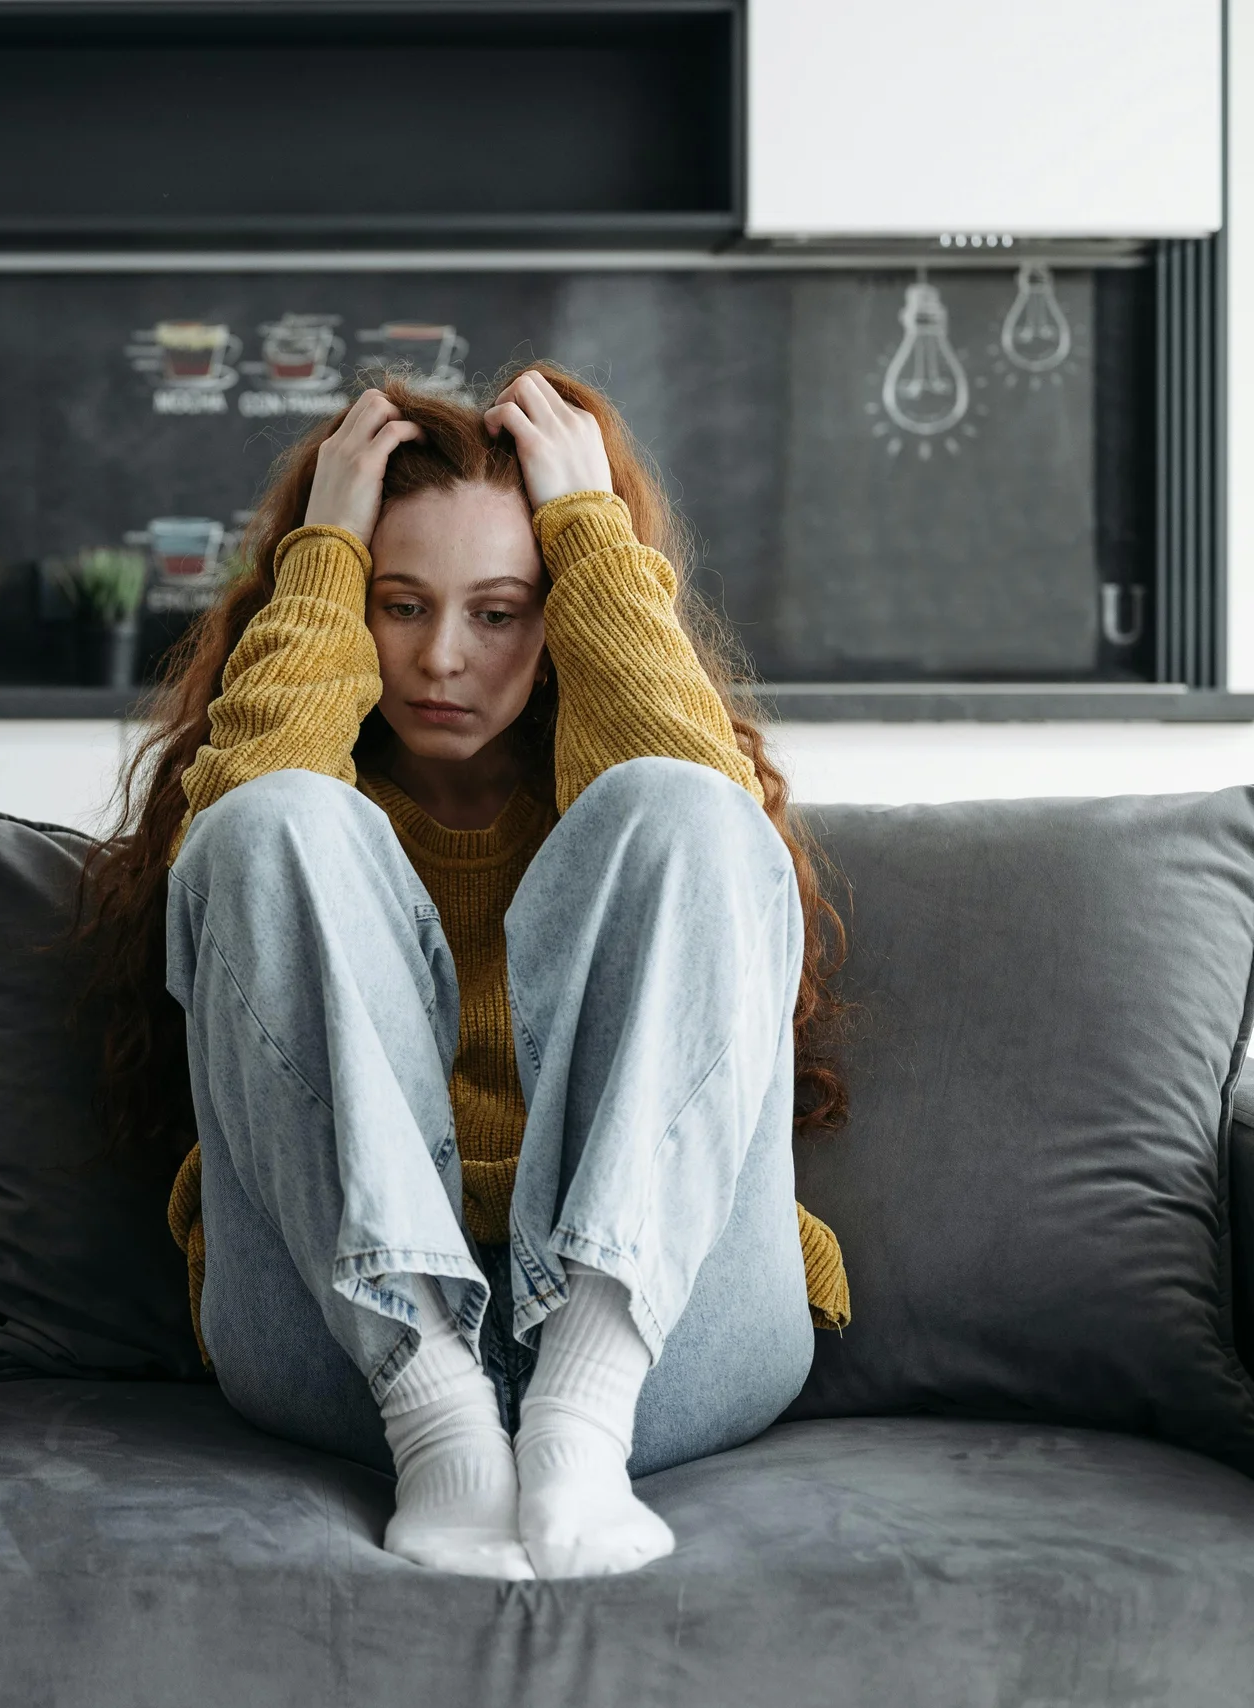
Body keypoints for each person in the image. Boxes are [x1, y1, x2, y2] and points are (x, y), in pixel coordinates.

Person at [80, 366, 850, 1582]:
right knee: (273, 820)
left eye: (498, 613)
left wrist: (589, 540)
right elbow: (239, 830)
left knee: (678, 804)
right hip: (349, 1344)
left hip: (661, 1338)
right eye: (396, 603)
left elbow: (717, 838)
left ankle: (579, 1416)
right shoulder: (315, 810)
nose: (442, 657)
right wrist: (323, 542)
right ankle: (437, 1411)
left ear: (558, 621)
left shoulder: (610, 776)